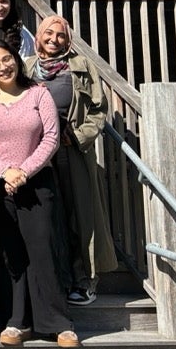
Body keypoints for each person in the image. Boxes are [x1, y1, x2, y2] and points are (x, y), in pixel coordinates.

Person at [0, 40, 79, 349]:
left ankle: (58, 322)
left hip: (37, 184)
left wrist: (24, 171)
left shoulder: (38, 93)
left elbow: (51, 138)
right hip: (1, 185)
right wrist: (6, 171)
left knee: (43, 249)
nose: (3, 67)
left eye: (7, 59)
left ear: (16, 59)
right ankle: (17, 321)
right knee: (11, 256)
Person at [25, 15, 116, 307]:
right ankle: (51, 283)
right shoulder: (26, 67)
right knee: (44, 217)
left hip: (69, 150)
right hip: (34, 152)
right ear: (38, 36)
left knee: (78, 215)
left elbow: (98, 110)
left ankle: (84, 281)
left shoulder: (81, 67)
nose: (54, 39)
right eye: (48, 33)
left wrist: (77, 137)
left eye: (60, 35)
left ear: (68, 40)